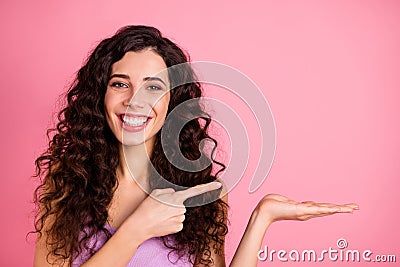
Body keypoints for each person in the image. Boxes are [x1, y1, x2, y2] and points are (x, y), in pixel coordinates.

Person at [33, 25, 359, 267]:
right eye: (120, 84)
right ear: (100, 94)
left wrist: (263, 217)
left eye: (154, 87)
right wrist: (137, 229)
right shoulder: (68, 179)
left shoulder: (202, 189)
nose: (134, 101)